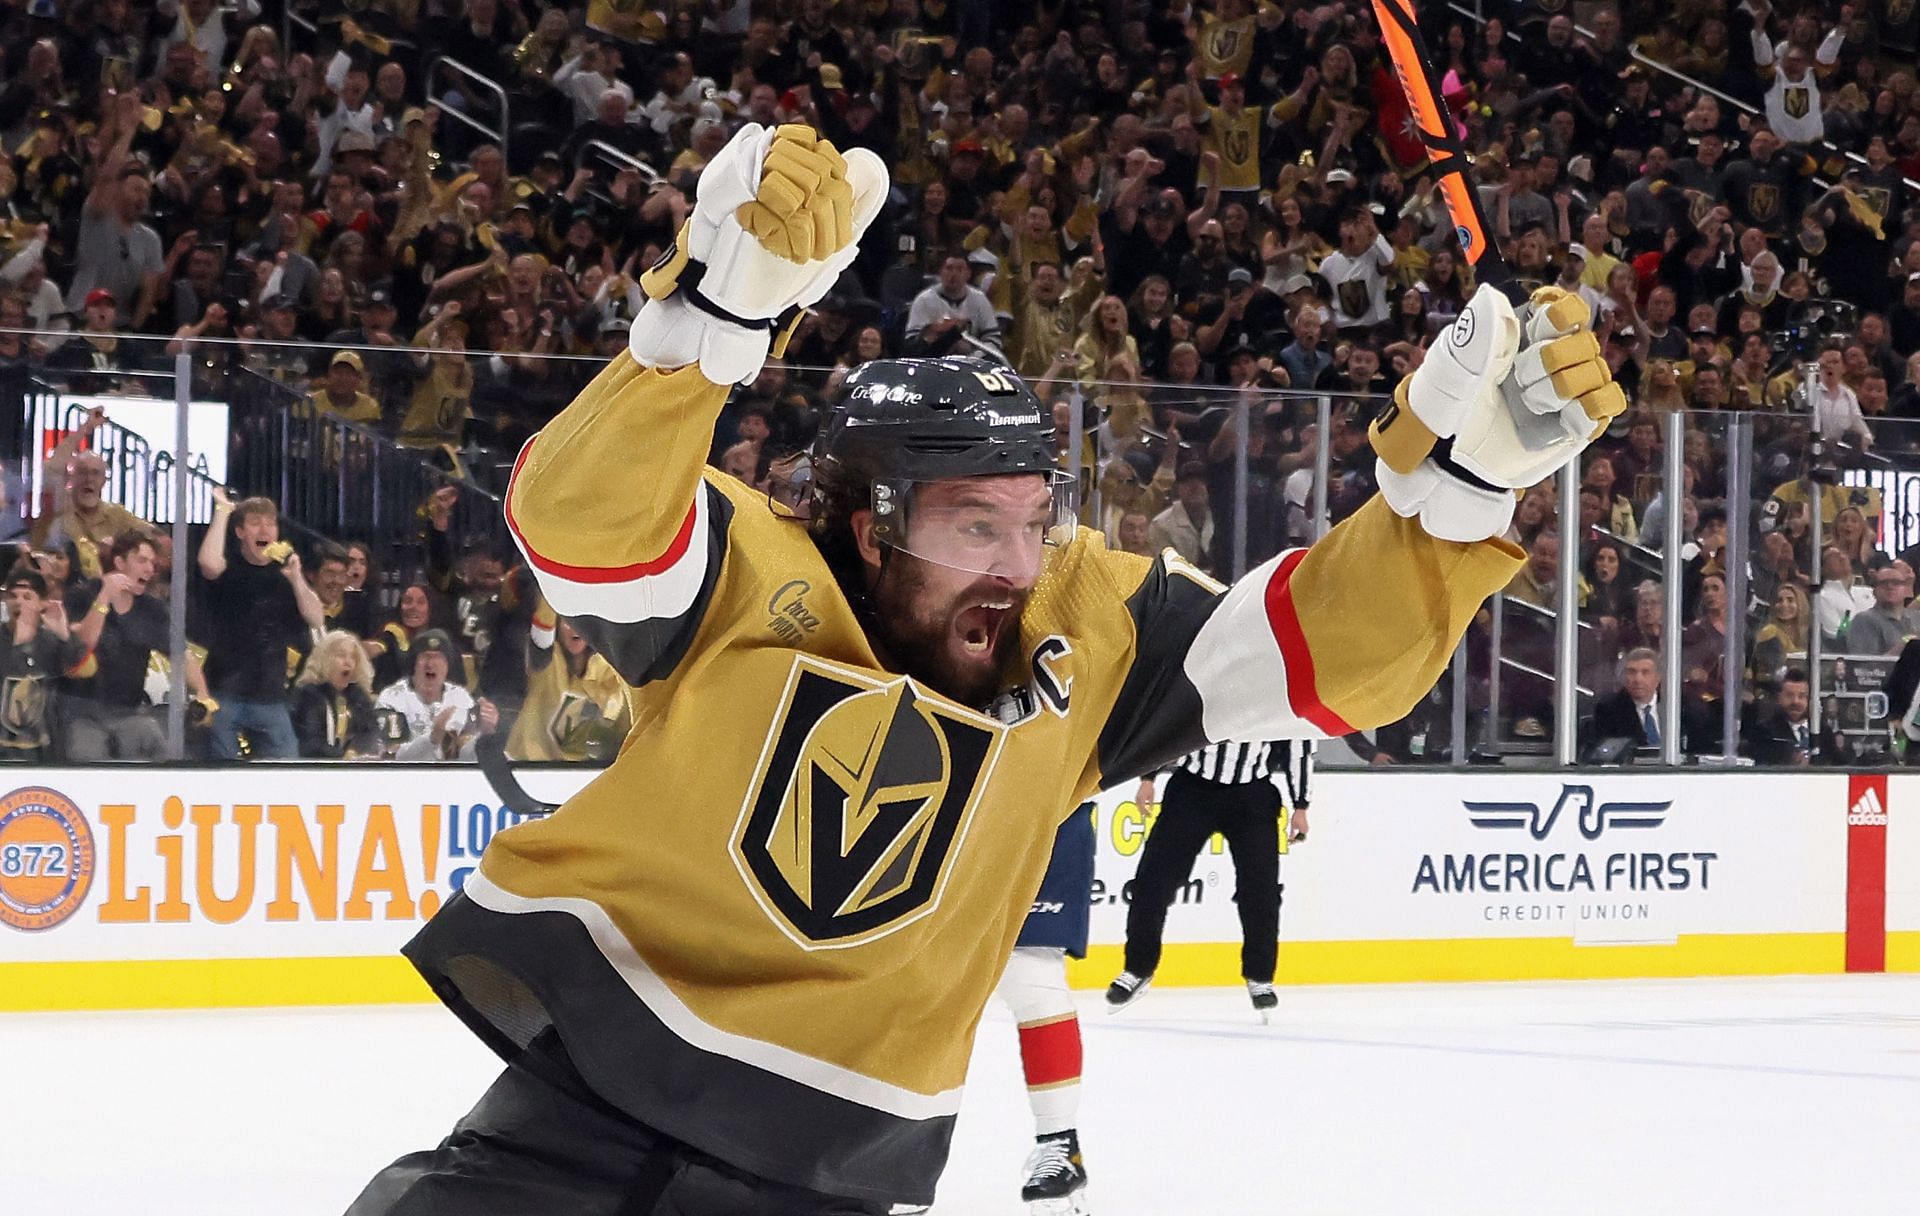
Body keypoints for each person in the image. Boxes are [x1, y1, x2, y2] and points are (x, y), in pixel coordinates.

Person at [348, 123, 1620, 1215]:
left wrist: (1453, 502)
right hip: (572, 1127)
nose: (1018, 560)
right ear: (869, 524)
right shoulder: (752, 570)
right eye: (973, 524)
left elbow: (1325, 659)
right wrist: (706, 328)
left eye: (1033, 516)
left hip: (824, 1176)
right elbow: (576, 523)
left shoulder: (1092, 627)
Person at [1109, 739, 1313, 1020]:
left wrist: (1301, 805)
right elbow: (1170, 722)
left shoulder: (1277, 696)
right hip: (1193, 789)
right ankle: (1137, 968)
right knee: (1152, 882)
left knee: (1260, 892)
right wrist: (1148, 777)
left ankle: (1260, 977)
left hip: (1252, 794)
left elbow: (1298, 743)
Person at [989, 808, 1097, 1215]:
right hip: (950, 807)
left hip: (1048, 811)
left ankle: (1060, 1145)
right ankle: (902, 1156)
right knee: (931, 992)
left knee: (1032, 978)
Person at [196, 491, 324, 759]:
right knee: (223, 770)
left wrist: (298, 579)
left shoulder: (284, 576)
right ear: (241, 531)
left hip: (270, 694)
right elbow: (208, 564)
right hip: (225, 689)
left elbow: (316, 618)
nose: (265, 529)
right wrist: (222, 511)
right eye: (255, 522)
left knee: (285, 767)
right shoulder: (229, 566)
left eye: (271, 523)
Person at [62, 529, 172, 762]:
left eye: (152, 563)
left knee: (158, 748)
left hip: (130, 711)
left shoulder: (152, 608)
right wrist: (104, 598)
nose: (150, 569)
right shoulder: (81, 595)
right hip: (83, 710)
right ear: (119, 562)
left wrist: (202, 692)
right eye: (142, 560)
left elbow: (180, 653)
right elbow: (82, 645)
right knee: (86, 755)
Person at [505, 613, 629, 762]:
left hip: (587, 772)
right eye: (568, 620)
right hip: (529, 767)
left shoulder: (611, 671)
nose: (575, 627)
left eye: (583, 620)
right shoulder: (540, 659)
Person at [374, 629, 499, 762]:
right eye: (425, 657)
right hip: (406, 778)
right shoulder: (392, 698)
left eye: (438, 657)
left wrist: (486, 733)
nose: (430, 664)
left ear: (447, 665)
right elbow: (391, 756)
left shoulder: (461, 698)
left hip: (451, 778)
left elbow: (465, 755)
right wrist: (432, 738)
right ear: (414, 663)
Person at [0, 567, 81, 762]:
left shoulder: (51, 641)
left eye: (27, 597)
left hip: (45, 748)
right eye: (13, 596)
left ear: (41, 603)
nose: (18, 602)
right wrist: (20, 645)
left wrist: (64, 635)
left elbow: (79, 674)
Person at [1589, 647, 1715, 755]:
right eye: (1632, 672)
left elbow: (1701, 750)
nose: (1638, 679)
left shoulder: (1682, 706)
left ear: (1658, 677)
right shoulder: (1609, 709)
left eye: (1645, 672)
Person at [291, 630, 380, 759]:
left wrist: (355, 752)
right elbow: (311, 743)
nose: (348, 662)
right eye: (341, 655)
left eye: (353, 657)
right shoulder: (308, 695)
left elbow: (371, 731)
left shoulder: (358, 695)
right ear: (324, 658)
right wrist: (343, 756)